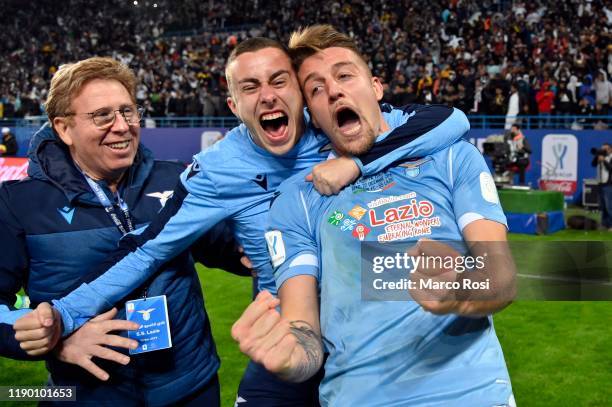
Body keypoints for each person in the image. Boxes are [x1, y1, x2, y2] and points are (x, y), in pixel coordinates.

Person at [13, 39, 469, 406]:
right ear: (233, 104)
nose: (268, 96)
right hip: (285, 335)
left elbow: (448, 119)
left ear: (299, 91)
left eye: (279, 81)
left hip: (372, 331)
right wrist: (64, 317)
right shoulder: (216, 170)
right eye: (250, 87)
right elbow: (151, 247)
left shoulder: (338, 127)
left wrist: (355, 164)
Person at [232, 25, 517, 406]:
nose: (334, 90)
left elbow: (500, 277)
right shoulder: (296, 201)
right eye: (316, 89)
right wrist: (292, 357)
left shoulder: (451, 157)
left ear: (377, 87)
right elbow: (304, 332)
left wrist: (463, 289)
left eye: (345, 75)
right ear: (313, 116)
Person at [0, 57, 251, 406]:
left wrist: (254, 246)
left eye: (128, 111)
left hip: (192, 388)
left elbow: (222, 246)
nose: (121, 126)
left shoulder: (173, 179)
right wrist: (55, 340)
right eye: (102, 115)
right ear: (63, 128)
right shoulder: (19, 203)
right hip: (82, 397)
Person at [591, 142, 612, 230]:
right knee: (602, 206)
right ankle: (604, 224)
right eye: (602, 148)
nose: (603, 150)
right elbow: (593, 164)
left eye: (605, 149)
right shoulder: (600, 157)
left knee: (609, 206)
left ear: (610, 149)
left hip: (609, 184)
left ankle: (611, 225)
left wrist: (604, 160)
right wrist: (597, 157)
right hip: (600, 184)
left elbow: (611, 168)